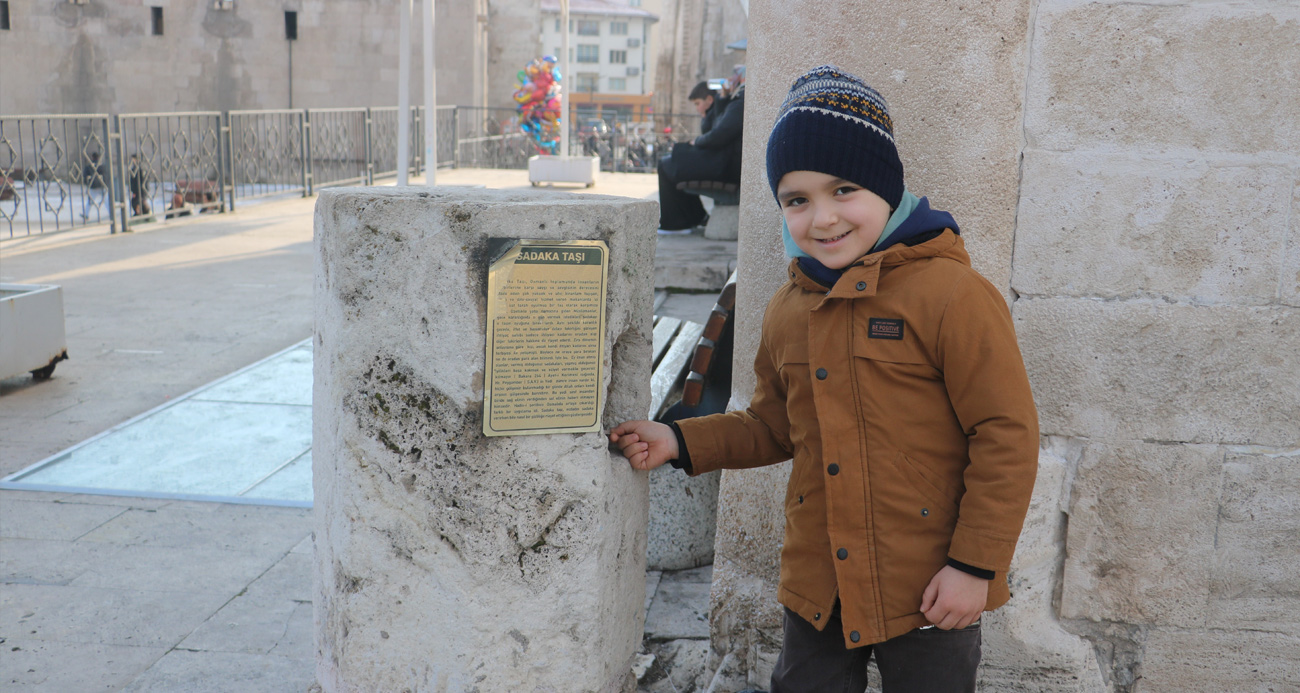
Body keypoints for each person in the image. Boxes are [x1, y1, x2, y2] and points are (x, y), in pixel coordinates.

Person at [611, 65, 1039, 693]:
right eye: (797, 199)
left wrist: (973, 566)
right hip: (819, 582)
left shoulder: (952, 294)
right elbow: (771, 426)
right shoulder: (791, 306)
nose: (823, 217)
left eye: (845, 190)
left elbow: (1006, 435)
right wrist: (682, 441)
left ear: (886, 188)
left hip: (926, 585)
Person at [655, 69, 745, 234]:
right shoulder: (735, 101)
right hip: (724, 162)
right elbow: (718, 126)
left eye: (736, 75)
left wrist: (697, 141)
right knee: (670, 161)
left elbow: (719, 134)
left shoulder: (740, 103)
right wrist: (723, 97)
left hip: (726, 166)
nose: (731, 77)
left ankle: (678, 223)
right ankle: (694, 218)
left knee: (669, 163)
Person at [80, 151, 107, 221]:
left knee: (90, 201)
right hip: (101, 185)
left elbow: (85, 176)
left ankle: (86, 214)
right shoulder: (101, 165)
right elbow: (106, 174)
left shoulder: (89, 166)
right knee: (106, 200)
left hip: (93, 186)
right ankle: (112, 212)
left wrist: (88, 184)